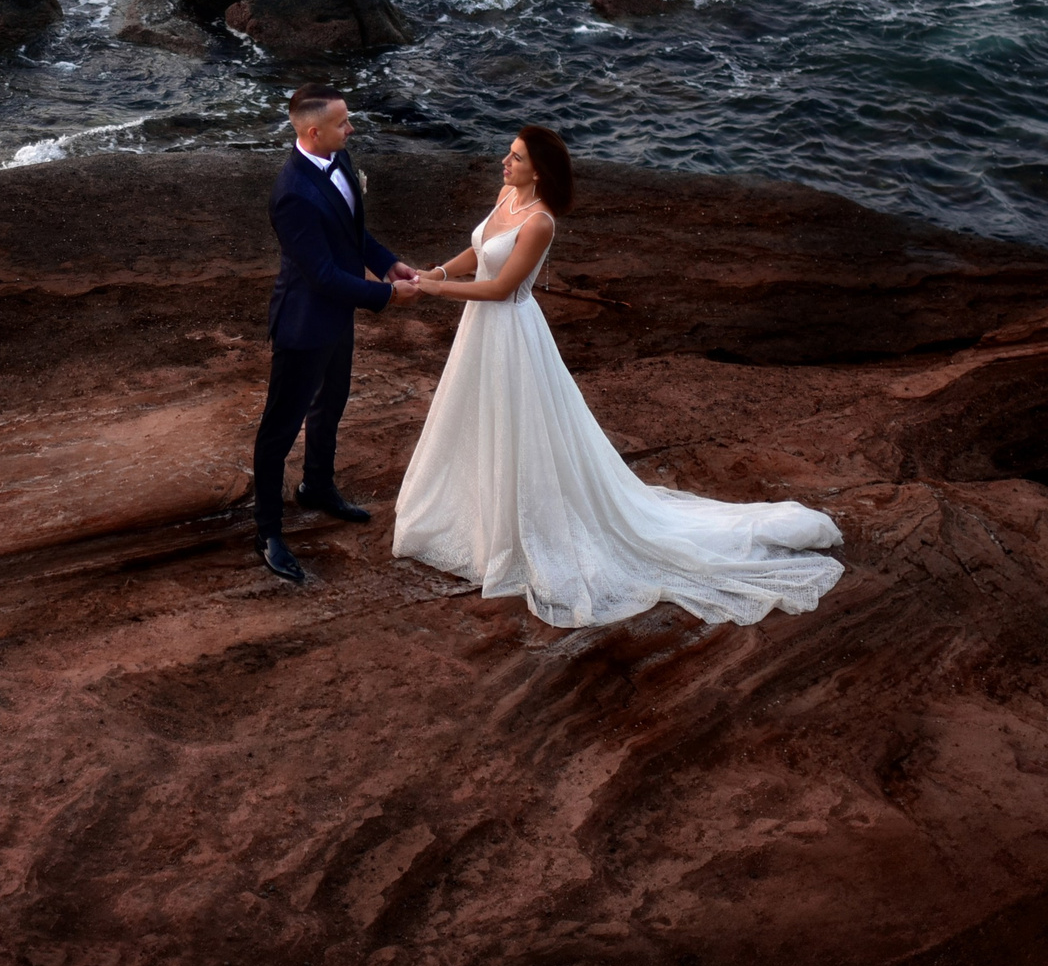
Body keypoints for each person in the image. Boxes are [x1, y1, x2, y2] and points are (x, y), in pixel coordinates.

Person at [392, 126, 844, 627]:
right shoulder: (506, 196)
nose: (505, 161)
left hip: (510, 332)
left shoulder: (540, 221)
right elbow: (479, 253)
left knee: (516, 424)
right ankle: (477, 516)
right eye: (509, 153)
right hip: (480, 331)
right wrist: (436, 273)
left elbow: (500, 288)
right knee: (477, 417)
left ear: (537, 170)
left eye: (515, 157)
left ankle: (520, 528)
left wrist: (434, 294)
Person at [250, 84, 420, 585]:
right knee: (279, 430)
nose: (351, 129)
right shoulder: (291, 195)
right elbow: (321, 275)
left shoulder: (339, 160)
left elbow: (353, 234)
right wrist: (387, 298)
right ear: (312, 131)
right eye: (344, 123)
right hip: (304, 325)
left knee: (332, 404)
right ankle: (267, 532)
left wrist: (388, 264)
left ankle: (317, 487)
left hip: (337, 317)